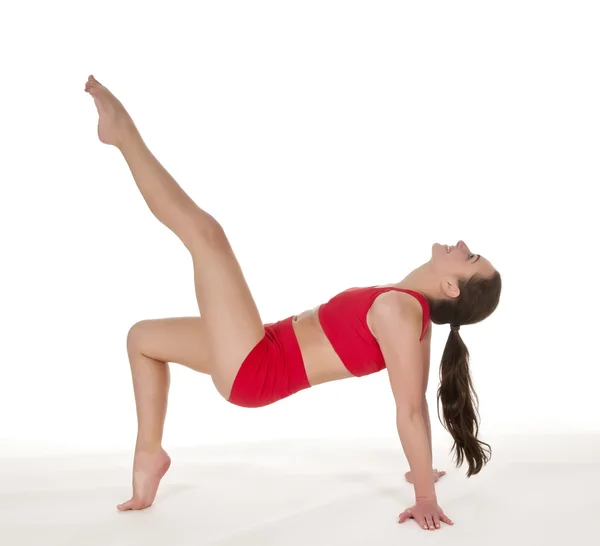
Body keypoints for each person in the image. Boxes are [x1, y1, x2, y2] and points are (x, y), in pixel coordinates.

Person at [84, 75, 501, 531]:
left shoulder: (400, 313)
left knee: (207, 237)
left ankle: (122, 134)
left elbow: (411, 410)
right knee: (142, 338)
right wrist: (419, 469)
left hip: (256, 365)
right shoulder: (410, 313)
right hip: (260, 344)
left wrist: (424, 495)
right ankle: (149, 457)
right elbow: (416, 398)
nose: (463, 245)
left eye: (471, 257)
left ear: (453, 288)